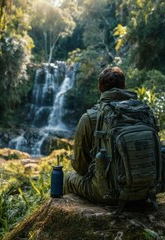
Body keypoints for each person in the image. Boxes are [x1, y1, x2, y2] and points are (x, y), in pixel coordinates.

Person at [63, 66, 142, 204]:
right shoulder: (142, 112)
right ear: (124, 86)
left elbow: (80, 167)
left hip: (110, 193)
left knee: (68, 178)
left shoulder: (90, 118)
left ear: (100, 88)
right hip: (146, 189)